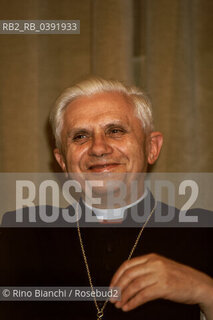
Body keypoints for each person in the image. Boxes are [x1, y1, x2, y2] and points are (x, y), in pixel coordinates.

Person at [1, 77, 213, 320]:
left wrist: (204, 290)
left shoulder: (202, 231)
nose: (98, 148)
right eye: (80, 136)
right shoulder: (23, 234)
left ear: (151, 147)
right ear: (62, 162)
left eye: (115, 131)